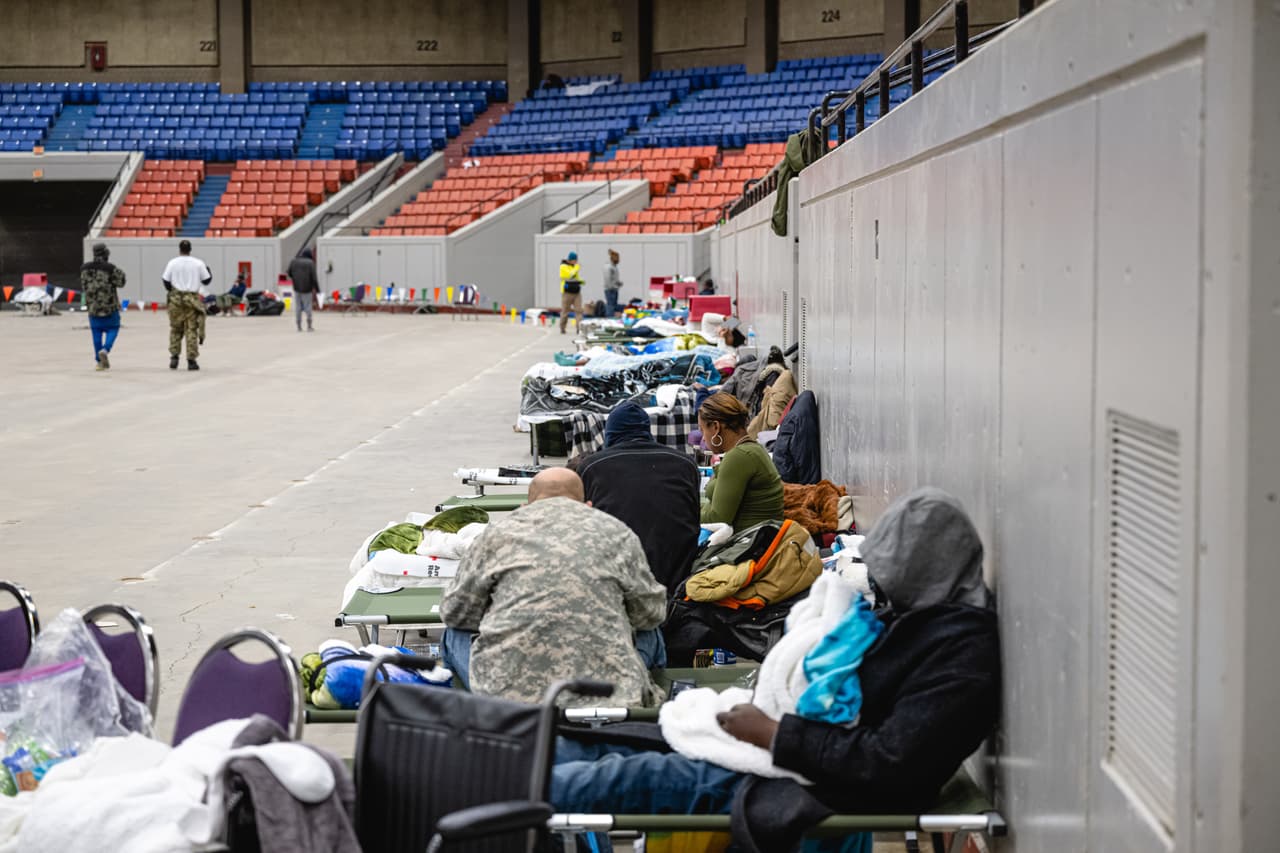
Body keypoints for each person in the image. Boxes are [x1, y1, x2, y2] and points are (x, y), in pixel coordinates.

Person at [552, 487, 1001, 850]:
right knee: (610, 741)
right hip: (803, 750)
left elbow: (890, 765)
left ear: (928, 570)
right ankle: (525, 762)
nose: (882, 583)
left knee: (633, 777)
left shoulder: (963, 656)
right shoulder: (926, 617)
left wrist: (772, 733)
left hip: (818, 780)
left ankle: (516, 793)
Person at [439, 468, 668, 707]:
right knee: (651, 633)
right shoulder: (618, 533)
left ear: (525, 506)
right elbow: (650, 613)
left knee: (453, 634)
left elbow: (457, 613)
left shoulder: (496, 534)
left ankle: (471, 714)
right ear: (588, 506)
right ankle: (643, 699)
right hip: (609, 694)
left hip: (509, 697)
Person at [577, 402, 701, 595]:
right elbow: (693, 516)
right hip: (675, 577)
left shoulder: (592, 467)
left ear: (611, 432)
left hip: (617, 579)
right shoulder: (685, 464)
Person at [698, 392, 784, 530]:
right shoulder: (752, 449)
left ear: (716, 427)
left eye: (702, 430)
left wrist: (680, 513)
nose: (703, 438)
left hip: (748, 541)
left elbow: (717, 520)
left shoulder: (738, 457)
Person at [162, 240, 212, 371]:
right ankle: (191, 360)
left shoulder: (172, 263)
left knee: (175, 329)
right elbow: (207, 280)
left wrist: (174, 291)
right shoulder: (198, 263)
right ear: (190, 249)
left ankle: (174, 358)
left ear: (179, 249)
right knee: (191, 329)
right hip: (192, 300)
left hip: (176, 300)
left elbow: (166, 281)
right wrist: (208, 270)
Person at [80, 243, 126, 371]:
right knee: (113, 328)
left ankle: (99, 362)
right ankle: (105, 349)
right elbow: (121, 282)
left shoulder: (84, 269)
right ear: (106, 254)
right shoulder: (110, 268)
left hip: (93, 308)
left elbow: (84, 286)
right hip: (109, 307)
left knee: (96, 334)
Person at [287, 248, 319, 332]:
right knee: (308, 306)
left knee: (298, 307)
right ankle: (309, 326)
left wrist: (295, 278)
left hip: (297, 288)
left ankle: (299, 326)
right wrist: (317, 289)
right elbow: (314, 278)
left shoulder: (294, 261)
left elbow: (289, 273)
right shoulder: (310, 263)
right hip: (307, 288)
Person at [559, 251, 584, 335]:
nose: (576, 262)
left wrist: (581, 281)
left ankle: (579, 328)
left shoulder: (574, 266)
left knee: (578, 310)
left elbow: (576, 277)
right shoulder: (563, 266)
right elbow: (569, 275)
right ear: (570, 260)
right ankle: (562, 327)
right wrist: (576, 268)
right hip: (567, 292)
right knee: (565, 311)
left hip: (576, 292)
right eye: (574, 260)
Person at [602, 249, 622, 317]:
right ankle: (610, 317)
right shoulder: (609, 267)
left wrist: (618, 283)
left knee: (613, 305)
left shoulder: (614, 266)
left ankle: (612, 316)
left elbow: (613, 278)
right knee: (610, 306)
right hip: (610, 290)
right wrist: (612, 287)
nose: (619, 260)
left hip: (614, 289)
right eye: (618, 258)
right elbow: (607, 279)